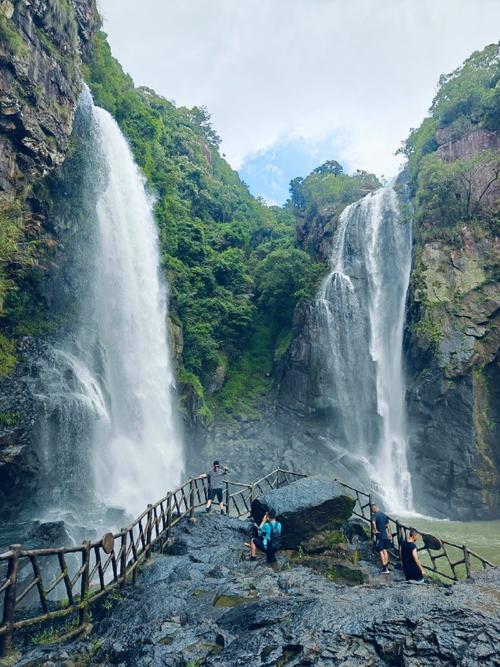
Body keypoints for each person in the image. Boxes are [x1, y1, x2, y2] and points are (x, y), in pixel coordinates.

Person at [371, 503, 392, 574]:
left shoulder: (375, 515)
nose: (372, 511)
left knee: (380, 551)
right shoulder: (383, 514)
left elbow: (373, 522)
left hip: (380, 536)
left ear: (374, 508)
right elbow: (388, 525)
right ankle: (386, 567)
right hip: (385, 535)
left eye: (372, 510)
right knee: (385, 550)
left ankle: (384, 568)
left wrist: (375, 529)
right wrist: (389, 534)